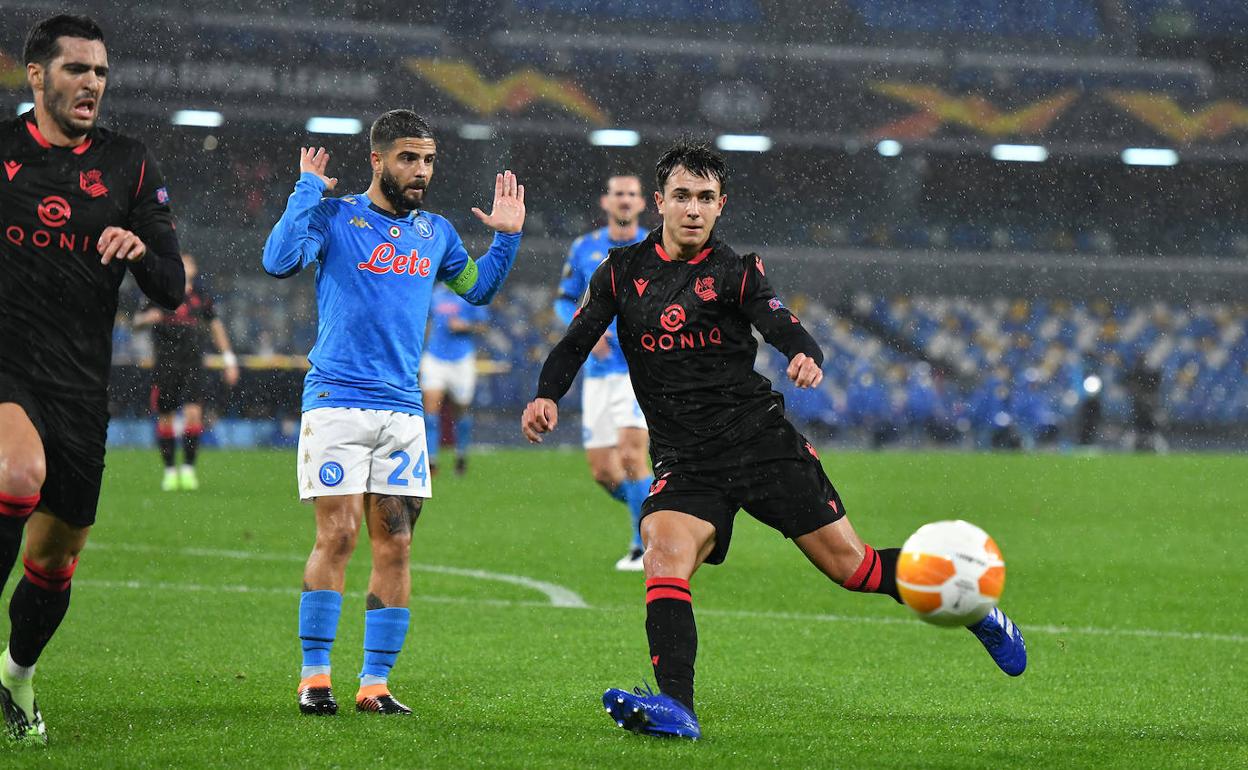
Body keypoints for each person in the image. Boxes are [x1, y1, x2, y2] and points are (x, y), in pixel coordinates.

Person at [522, 139, 1026, 740]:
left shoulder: (735, 271)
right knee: (663, 551)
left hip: (761, 443)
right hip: (688, 460)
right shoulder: (619, 273)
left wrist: (805, 354)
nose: (693, 209)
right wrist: (547, 393)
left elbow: (779, 321)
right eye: (681, 196)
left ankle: (971, 604)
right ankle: (677, 707)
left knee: (855, 569)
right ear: (659, 202)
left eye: (705, 199)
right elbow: (576, 339)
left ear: (721, 206)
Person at [262, 109, 524, 717]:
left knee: (397, 546)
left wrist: (506, 237)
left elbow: (477, 288)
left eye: (429, 160)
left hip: (403, 411)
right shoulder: (336, 216)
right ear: (377, 159)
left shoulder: (436, 233)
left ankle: (375, 684)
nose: (421, 171)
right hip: (335, 401)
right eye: (409, 158)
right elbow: (278, 262)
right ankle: (315, 676)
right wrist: (306, 189)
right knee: (339, 534)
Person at [0, 15, 184, 746]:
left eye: (101, 72)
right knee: (16, 474)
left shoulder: (130, 164)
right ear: (36, 76)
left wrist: (140, 249)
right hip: (8, 366)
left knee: (54, 560)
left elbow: (170, 288)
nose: (92, 84)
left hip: (80, 386)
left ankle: (15, 674)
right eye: (77, 69)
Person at [552, 174, 653, 570]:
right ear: (606, 201)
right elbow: (563, 303)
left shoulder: (656, 247)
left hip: (638, 371)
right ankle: (657, 509)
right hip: (598, 375)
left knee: (631, 455)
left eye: (631, 194)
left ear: (643, 202)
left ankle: (642, 545)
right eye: (618, 194)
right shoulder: (585, 248)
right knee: (604, 471)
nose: (625, 200)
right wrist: (585, 329)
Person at [132, 253, 240, 491]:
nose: (185, 265)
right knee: (167, 416)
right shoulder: (159, 293)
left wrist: (229, 359)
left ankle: (189, 469)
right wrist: (145, 318)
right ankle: (170, 470)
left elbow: (216, 327)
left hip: (193, 364)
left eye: (188, 262)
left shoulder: (201, 298)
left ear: (194, 269)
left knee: (193, 414)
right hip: (165, 365)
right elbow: (135, 323)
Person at [421, 284, 490, 476]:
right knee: (430, 412)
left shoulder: (472, 294)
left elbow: (483, 325)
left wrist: (465, 326)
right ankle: (431, 461)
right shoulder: (435, 294)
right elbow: (425, 321)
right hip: (435, 358)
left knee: (461, 410)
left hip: (461, 360)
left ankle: (461, 456)